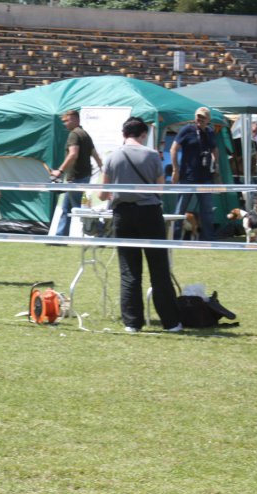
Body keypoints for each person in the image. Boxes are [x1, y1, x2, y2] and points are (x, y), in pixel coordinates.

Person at [99, 117, 182, 333]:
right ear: (143, 134)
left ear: (124, 134)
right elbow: (160, 189)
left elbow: (102, 193)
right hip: (149, 213)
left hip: (122, 214)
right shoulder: (152, 155)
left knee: (129, 270)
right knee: (159, 269)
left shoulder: (112, 156)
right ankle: (171, 322)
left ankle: (132, 323)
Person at [49, 109, 102, 237]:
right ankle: (60, 237)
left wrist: (60, 171)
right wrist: (103, 169)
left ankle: (102, 230)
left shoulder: (74, 135)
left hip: (76, 178)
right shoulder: (85, 134)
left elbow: (73, 154)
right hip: (84, 177)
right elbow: (95, 155)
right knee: (67, 208)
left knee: (80, 210)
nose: (65, 124)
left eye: (67, 120)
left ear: (75, 119)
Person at [171, 107, 219, 241]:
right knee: (180, 211)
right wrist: (175, 169)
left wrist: (216, 167)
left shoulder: (210, 132)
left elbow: (215, 149)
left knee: (207, 211)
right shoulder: (186, 130)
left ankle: (209, 239)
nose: (200, 119)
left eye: (203, 117)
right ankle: (175, 238)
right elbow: (173, 149)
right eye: (198, 116)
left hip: (205, 179)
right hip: (187, 177)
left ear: (208, 120)